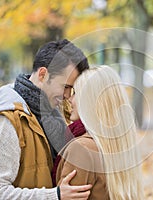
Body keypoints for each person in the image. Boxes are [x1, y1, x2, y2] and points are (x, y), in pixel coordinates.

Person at [0, 39, 92, 199]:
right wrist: (54, 196)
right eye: (65, 87)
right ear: (43, 74)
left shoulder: (53, 116)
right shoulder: (7, 120)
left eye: (72, 89)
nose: (68, 96)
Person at [55, 66, 144, 199]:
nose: (69, 99)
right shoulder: (120, 143)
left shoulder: (82, 148)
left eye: (75, 93)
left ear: (89, 100)